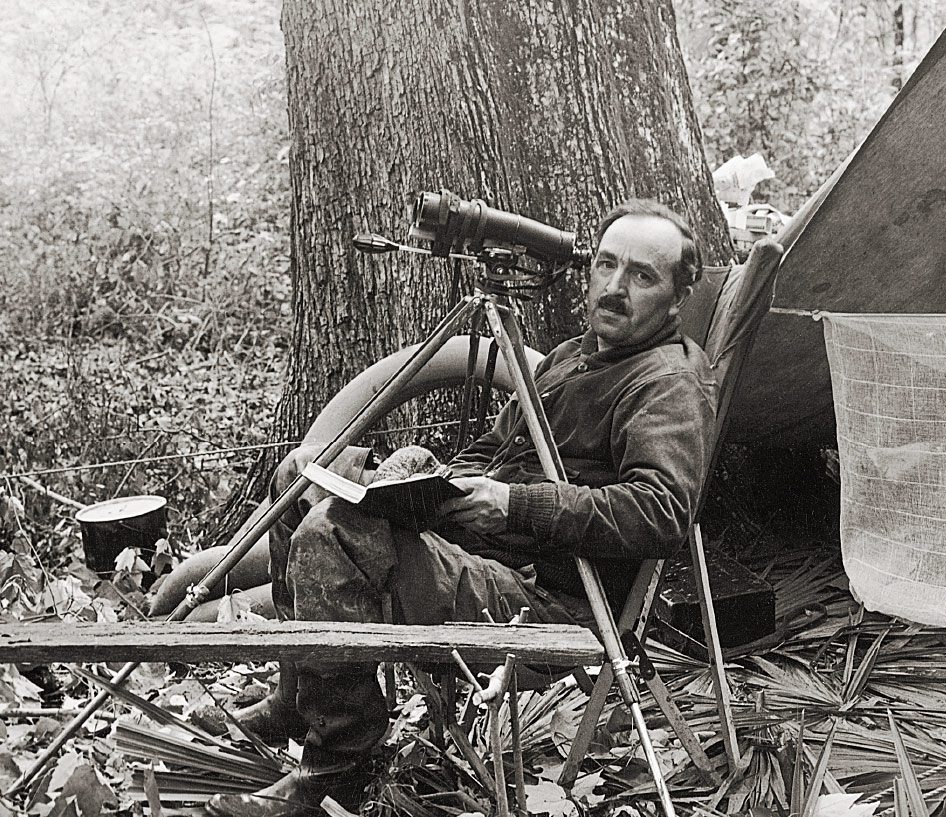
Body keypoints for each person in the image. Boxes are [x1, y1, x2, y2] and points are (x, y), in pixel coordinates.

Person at [207, 199, 719, 817]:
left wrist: (515, 505)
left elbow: (661, 513)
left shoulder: (665, 385)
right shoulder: (571, 358)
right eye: (606, 265)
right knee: (302, 481)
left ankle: (337, 771)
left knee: (335, 533)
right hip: (490, 552)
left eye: (641, 275)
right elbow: (495, 449)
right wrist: (426, 483)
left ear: (676, 296)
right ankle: (300, 696)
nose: (614, 288)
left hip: (553, 600)